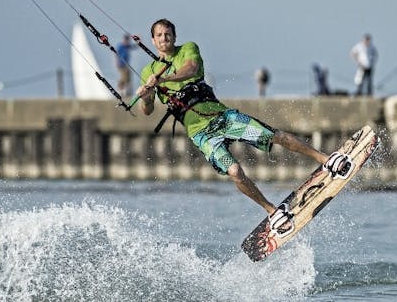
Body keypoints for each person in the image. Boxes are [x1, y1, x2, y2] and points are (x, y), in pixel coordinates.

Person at [136, 19, 352, 233]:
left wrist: (163, 80)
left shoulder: (188, 49)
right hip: (201, 133)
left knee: (274, 136)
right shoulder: (148, 72)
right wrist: (146, 97)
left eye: (168, 34)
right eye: (159, 35)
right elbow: (148, 110)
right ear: (153, 40)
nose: (164, 38)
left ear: (174, 36)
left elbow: (191, 69)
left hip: (223, 118)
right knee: (235, 171)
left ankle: (326, 160)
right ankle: (273, 212)